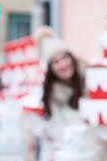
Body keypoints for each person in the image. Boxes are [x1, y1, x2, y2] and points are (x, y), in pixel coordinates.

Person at [34, 26, 86, 161]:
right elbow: (56, 131)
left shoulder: (88, 78)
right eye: (56, 62)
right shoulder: (51, 92)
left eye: (64, 57)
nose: (63, 64)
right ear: (51, 69)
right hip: (71, 151)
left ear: (71, 57)